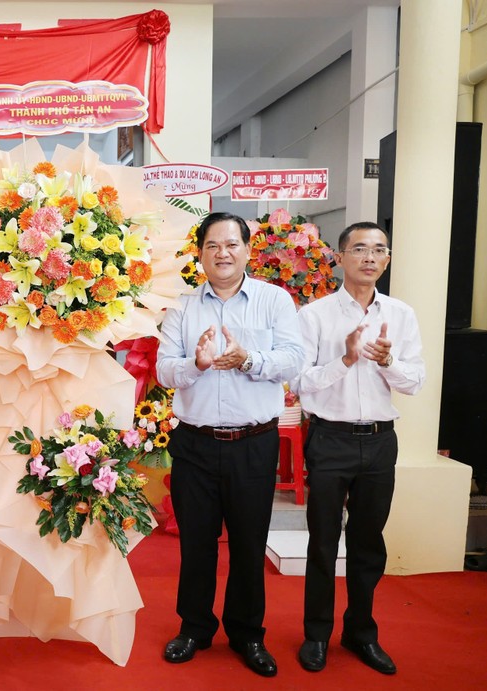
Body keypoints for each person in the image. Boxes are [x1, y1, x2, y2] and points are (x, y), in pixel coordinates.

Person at [156, 212, 304, 677]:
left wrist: (249, 359)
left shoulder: (274, 300)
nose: (223, 252)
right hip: (194, 445)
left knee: (247, 544)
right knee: (196, 544)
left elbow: (294, 359)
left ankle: (247, 634)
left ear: (247, 250)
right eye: (212, 244)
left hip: (252, 444)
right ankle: (194, 628)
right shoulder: (181, 307)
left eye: (232, 244)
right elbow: (164, 370)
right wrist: (196, 366)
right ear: (199, 252)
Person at [295, 222, 424, 675]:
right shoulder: (315, 315)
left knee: (369, 543)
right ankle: (316, 634)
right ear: (340, 257)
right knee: (323, 543)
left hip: (380, 441)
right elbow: (299, 384)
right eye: (360, 249)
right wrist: (346, 359)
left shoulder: (402, 315)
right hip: (330, 439)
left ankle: (360, 633)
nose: (370, 258)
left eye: (379, 250)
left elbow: (415, 382)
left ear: (387, 260)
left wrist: (386, 361)